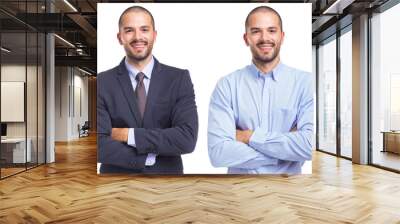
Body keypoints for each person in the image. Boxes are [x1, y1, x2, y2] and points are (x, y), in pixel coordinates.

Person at [207, 6, 314, 174]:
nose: (265, 38)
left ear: (282, 36)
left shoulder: (306, 83)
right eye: (256, 31)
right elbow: (218, 153)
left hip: (290, 193)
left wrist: (248, 136)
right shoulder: (227, 85)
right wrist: (287, 152)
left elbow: (308, 146)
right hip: (239, 193)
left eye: (272, 30)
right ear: (246, 38)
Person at [97, 6, 198, 174]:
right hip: (115, 185)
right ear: (119, 37)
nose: (138, 37)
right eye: (129, 30)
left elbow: (186, 139)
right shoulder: (102, 82)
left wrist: (129, 135)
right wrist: (147, 157)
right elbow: (98, 144)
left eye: (144, 29)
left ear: (154, 35)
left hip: (167, 185)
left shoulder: (178, 79)